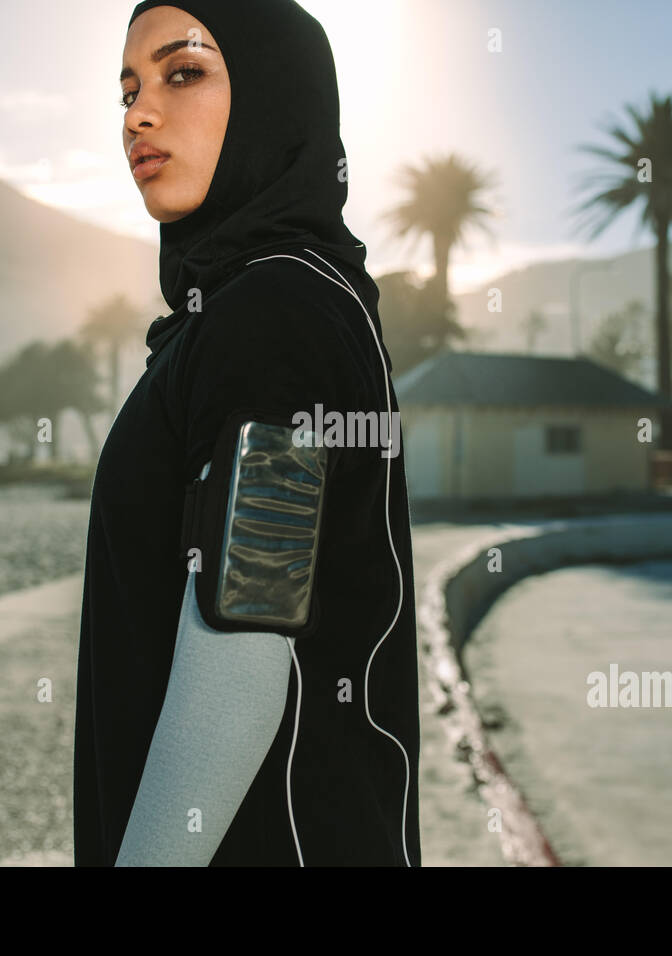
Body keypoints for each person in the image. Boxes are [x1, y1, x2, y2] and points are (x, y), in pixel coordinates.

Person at [73, 0, 423, 866]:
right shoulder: (254, 312)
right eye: (128, 91)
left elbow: (243, 648)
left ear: (276, 96)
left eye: (182, 72)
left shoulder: (277, 314)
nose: (139, 114)